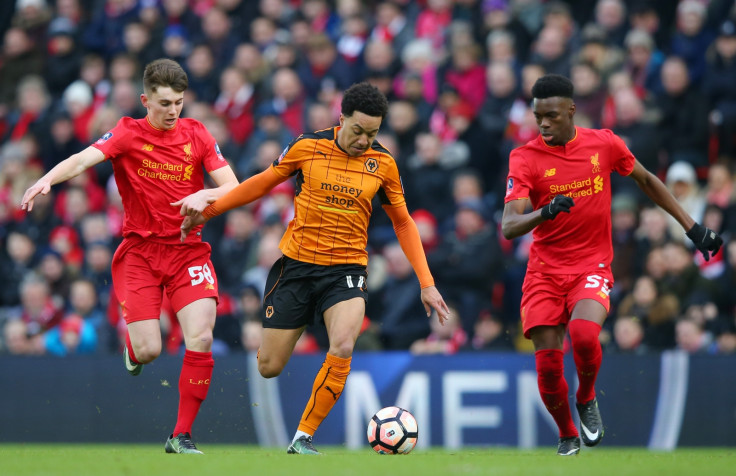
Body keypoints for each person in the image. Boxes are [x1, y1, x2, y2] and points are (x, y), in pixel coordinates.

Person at [180, 82, 450, 455]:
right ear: (341, 119)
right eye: (358, 131)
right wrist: (208, 212)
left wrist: (427, 283)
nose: (363, 140)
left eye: (372, 133)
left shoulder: (383, 163)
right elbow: (261, 185)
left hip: (347, 270)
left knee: (342, 343)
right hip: (296, 267)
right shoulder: (308, 146)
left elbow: (403, 223)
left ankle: (303, 437)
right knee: (268, 367)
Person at [20, 58, 239, 454]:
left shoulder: (198, 134)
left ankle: (181, 435)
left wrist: (203, 194)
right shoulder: (126, 133)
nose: (173, 111)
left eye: (179, 102)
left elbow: (233, 187)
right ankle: (134, 350)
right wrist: (47, 179)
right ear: (145, 100)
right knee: (151, 349)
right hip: (140, 253)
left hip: (188, 251)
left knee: (202, 336)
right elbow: (83, 159)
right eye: (165, 103)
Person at [501, 74, 722, 456]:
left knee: (585, 336)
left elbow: (647, 180)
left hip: (591, 265)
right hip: (543, 273)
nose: (544, 125)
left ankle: (586, 398)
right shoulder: (525, 158)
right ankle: (567, 433)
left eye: (552, 116)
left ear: (571, 110)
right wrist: (545, 211)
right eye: (539, 117)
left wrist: (693, 228)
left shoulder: (603, 143)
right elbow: (508, 226)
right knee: (549, 366)